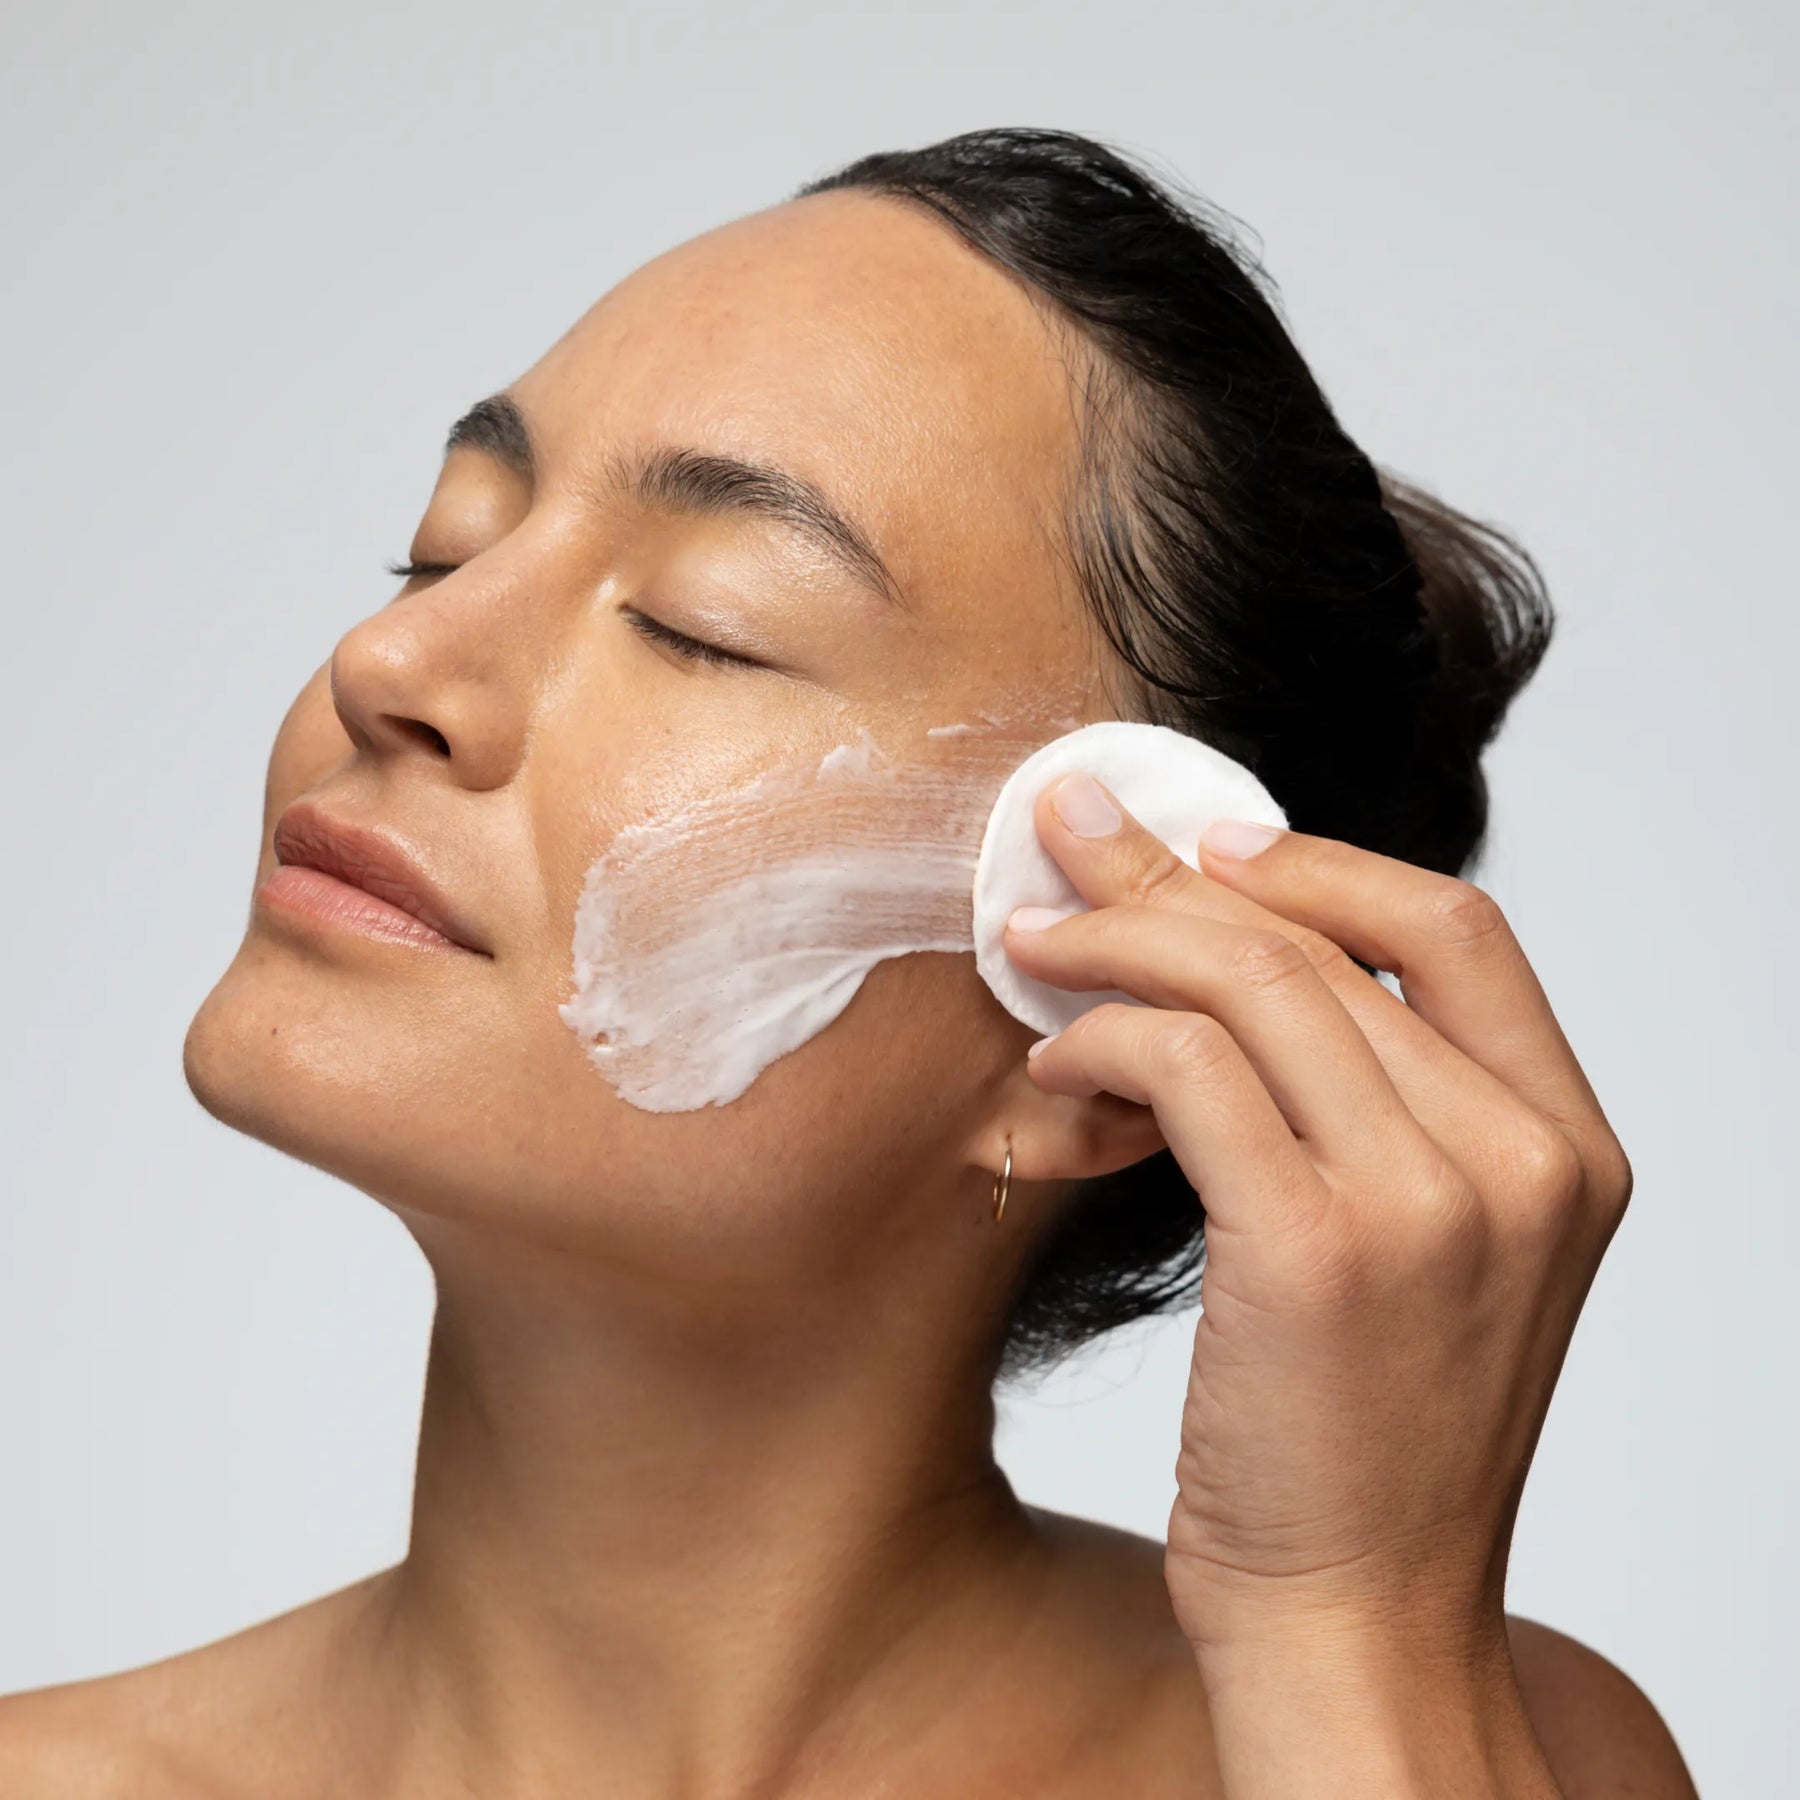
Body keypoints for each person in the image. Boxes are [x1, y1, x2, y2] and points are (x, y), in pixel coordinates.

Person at [0, 128, 1696, 1797]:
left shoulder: (1484, 1747)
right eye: (446, 547)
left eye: (703, 625)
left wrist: (1349, 1638)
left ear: (1106, 1007)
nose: (388, 658)